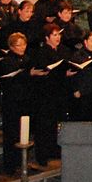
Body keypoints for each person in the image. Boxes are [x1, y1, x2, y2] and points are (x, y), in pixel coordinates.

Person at [31, 23, 73, 167]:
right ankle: (42, 155)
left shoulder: (63, 50)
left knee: (58, 123)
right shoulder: (42, 52)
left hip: (60, 92)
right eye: (54, 35)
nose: (58, 37)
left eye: (59, 34)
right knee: (44, 125)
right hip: (45, 94)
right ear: (47, 37)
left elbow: (67, 64)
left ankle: (56, 150)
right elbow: (42, 70)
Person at [0, 32, 32, 174]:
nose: (22, 47)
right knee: (11, 133)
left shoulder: (27, 58)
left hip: (25, 99)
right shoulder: (7, 61)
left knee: (23, 133)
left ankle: (21, 161)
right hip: (12, 101)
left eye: (24, 44)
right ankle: (10, 165)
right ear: (11, 46)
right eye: (18, 45)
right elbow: (8, 80)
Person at [69, 30, 92, 121]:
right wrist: (75, 90)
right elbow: (73, 75)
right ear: (85, 42)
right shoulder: (78, 55)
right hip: (83, 91)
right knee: (84, 116)